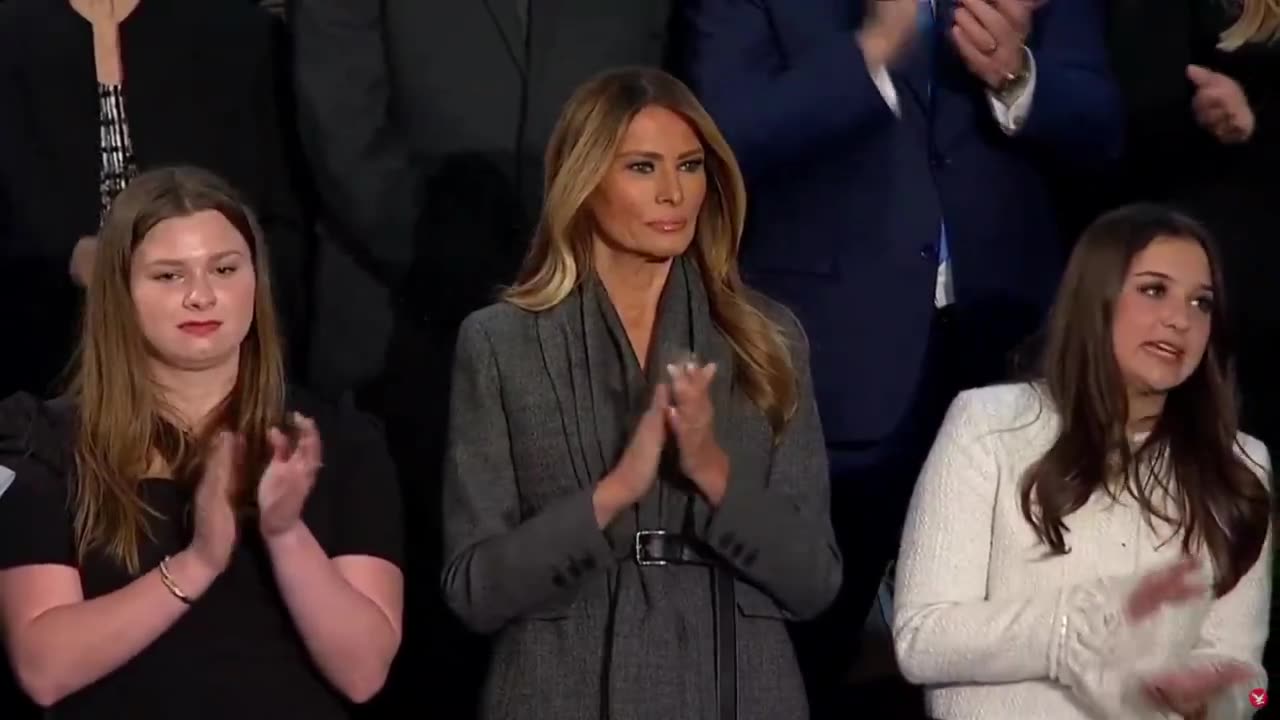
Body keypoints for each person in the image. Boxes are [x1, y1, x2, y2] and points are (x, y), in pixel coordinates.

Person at [677, 1, 1124, 708]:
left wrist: (1018, 76)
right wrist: (870, 53)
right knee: (793, 657)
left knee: (1018, 657)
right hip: (834, 365)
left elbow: (1104, 126)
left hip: (1013, 359)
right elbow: (717, 132)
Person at [439, 67, 841, 720]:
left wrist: (712, 474)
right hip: (559, 686)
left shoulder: (766, 340)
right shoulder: (500, 343)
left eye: (688, 166)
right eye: (642, 168)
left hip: (736, 686)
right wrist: (616, 491)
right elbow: (474, 590)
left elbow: (815, 582)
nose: (673, 193)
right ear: (585, 179)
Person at [0, 167, 404, 719]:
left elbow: (363, 672)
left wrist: (284, 534)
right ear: (119, 291)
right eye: (168, 276)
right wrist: (199, 560)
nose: (201, 295)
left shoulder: (336, 440)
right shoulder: (39, 443)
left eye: (224, 268)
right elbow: (43, 669)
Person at [892, 205, 1272, 719]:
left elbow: (1254, 686)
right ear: (1096, 298)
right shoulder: (989, 424)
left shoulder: (1242, 466)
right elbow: (920, 640)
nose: (1180, 319)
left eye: (1201, 303)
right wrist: (1080, 627)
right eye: (1155, 290)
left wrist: (1218, 701)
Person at [0, 0, 307, 400]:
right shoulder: (13, 37)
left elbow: (281, 225)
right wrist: (72, 261)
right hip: (37, 364)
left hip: (220, 374)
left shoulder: (238, 35)